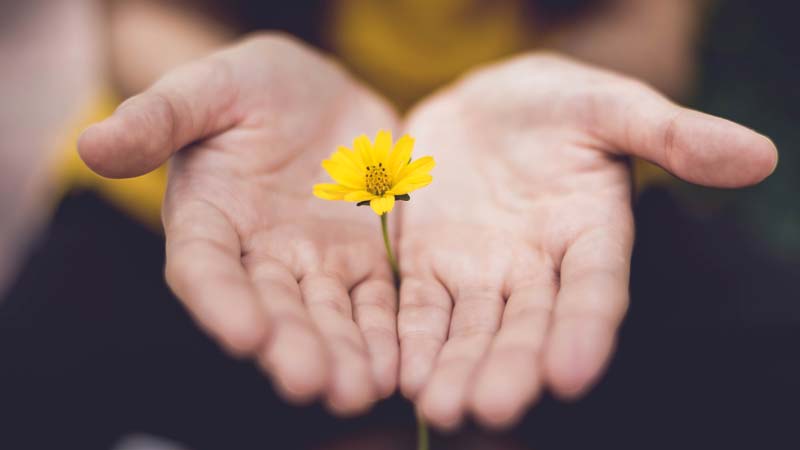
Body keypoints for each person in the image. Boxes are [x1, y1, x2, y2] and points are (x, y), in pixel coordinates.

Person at [77, 30, 776, 437]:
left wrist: (567, 85)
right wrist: (211, 89)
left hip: (550, 191)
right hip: (238, 187)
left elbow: (646, 28)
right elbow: (134, 19)